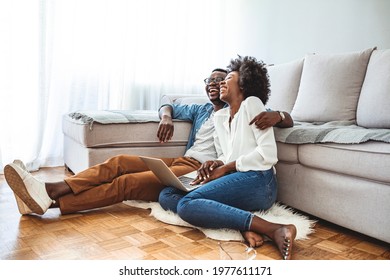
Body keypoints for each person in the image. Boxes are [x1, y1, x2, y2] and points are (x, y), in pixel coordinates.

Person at [4, 68, 293, 218]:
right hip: (185, 160)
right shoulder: (201, 110)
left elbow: (281, 121)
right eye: (210, 80)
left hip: (199, 171)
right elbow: (166, 100)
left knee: (128, 184)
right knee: (118, 163)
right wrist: (166, 117)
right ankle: (48, 193)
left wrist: (278, 114)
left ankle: (51, 199)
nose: (214, 84)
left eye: (221, 80)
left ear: (235, 85)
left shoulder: (246, 107)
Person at [159, 56, 297, 260]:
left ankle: (275, 228)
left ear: (243, 84)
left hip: (260, 181)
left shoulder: (252, 104)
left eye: (229, 77)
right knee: (167, 194)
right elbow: (227, 153)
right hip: (236, 178)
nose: (221, 82)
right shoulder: (220, 117)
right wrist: (217, 162)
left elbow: (268, 154)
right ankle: (241, 224)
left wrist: (226, 167)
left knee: (186, 205)